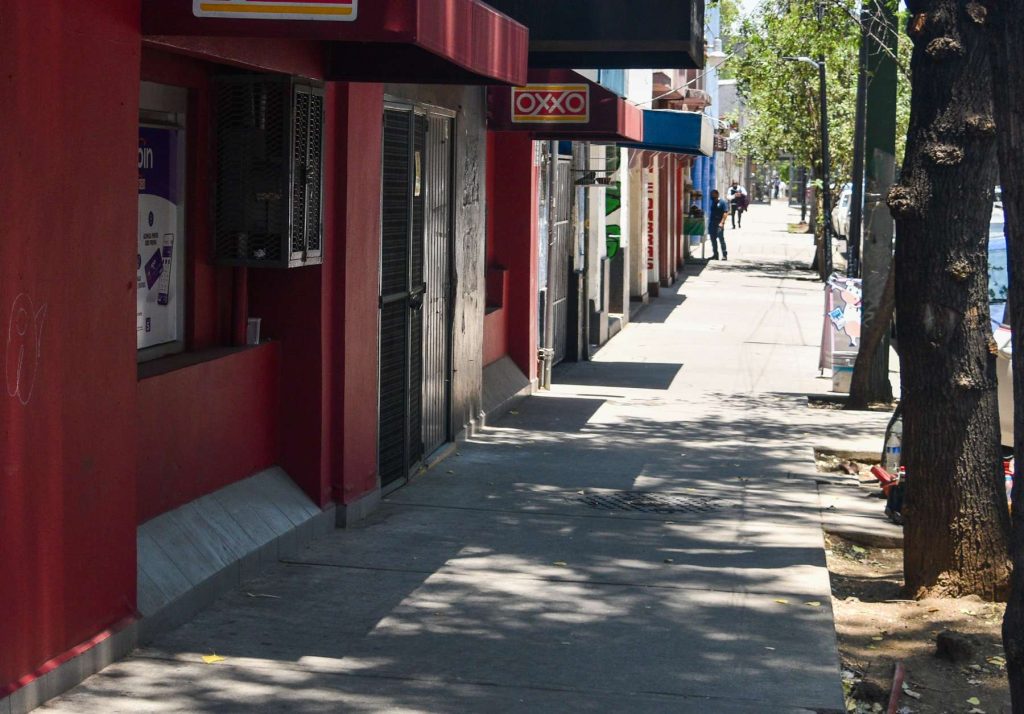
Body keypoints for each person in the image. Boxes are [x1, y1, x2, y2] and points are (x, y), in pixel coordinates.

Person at [708, 189, 729, 260]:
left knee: (721, 239)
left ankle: (724, 255)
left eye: (713, 194)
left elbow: (725, 213)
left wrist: (722, 222)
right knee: (713, 239)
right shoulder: (713, 202)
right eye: (711, 194)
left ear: (717, 194)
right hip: (712, 223)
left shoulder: (722, 202)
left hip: (719, 223)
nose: (711, 196)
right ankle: (715, 255)